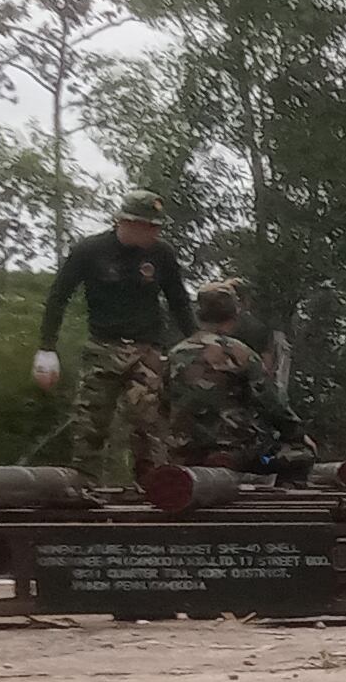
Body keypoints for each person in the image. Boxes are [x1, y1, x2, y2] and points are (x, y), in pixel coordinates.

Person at [35, 191, 196, 481]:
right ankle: (84, 486)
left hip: (146, 350)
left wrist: (196, 343)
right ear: (128, 222)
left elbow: (179, 302)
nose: (156, 232)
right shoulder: (90, 250)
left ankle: (153, 488)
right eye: (150, 226)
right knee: (90, 424)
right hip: (102, 347)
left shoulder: (162, 254)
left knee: (149, 426)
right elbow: (58, 297)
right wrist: (47, 347)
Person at [162, 284, 304, 465]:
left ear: (199, 315)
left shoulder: (175, 354)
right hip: (236, 453)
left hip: (183, 452)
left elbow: (163, 403)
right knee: (301, 454)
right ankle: (284, 484)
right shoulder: (242, 353)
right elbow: (271, 404)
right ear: (235, 314)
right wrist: (297, 434)